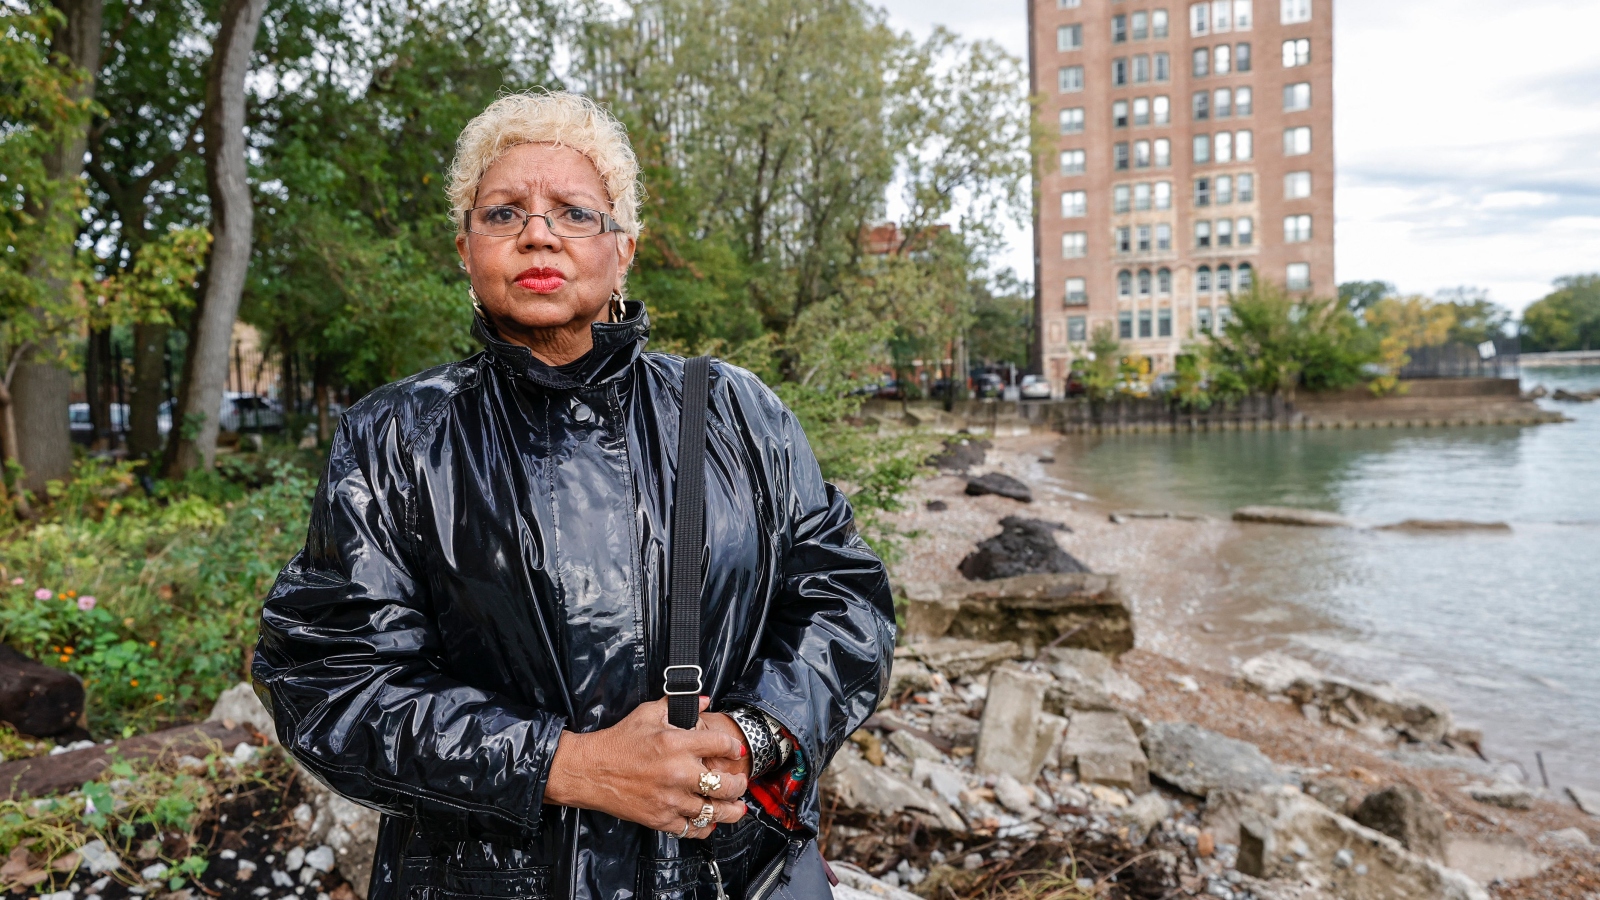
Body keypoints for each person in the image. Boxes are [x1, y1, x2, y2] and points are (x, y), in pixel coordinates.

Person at [251, 91, 895, 900]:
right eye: (504, 212)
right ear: (465, 249)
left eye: (574, 212)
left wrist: (756, 733)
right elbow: (328, 681)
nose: (538, 233)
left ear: (624, 248)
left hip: (722, 874)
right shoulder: (396, 437)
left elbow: (846, 602)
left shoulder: (737, 413)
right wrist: (567, 765)